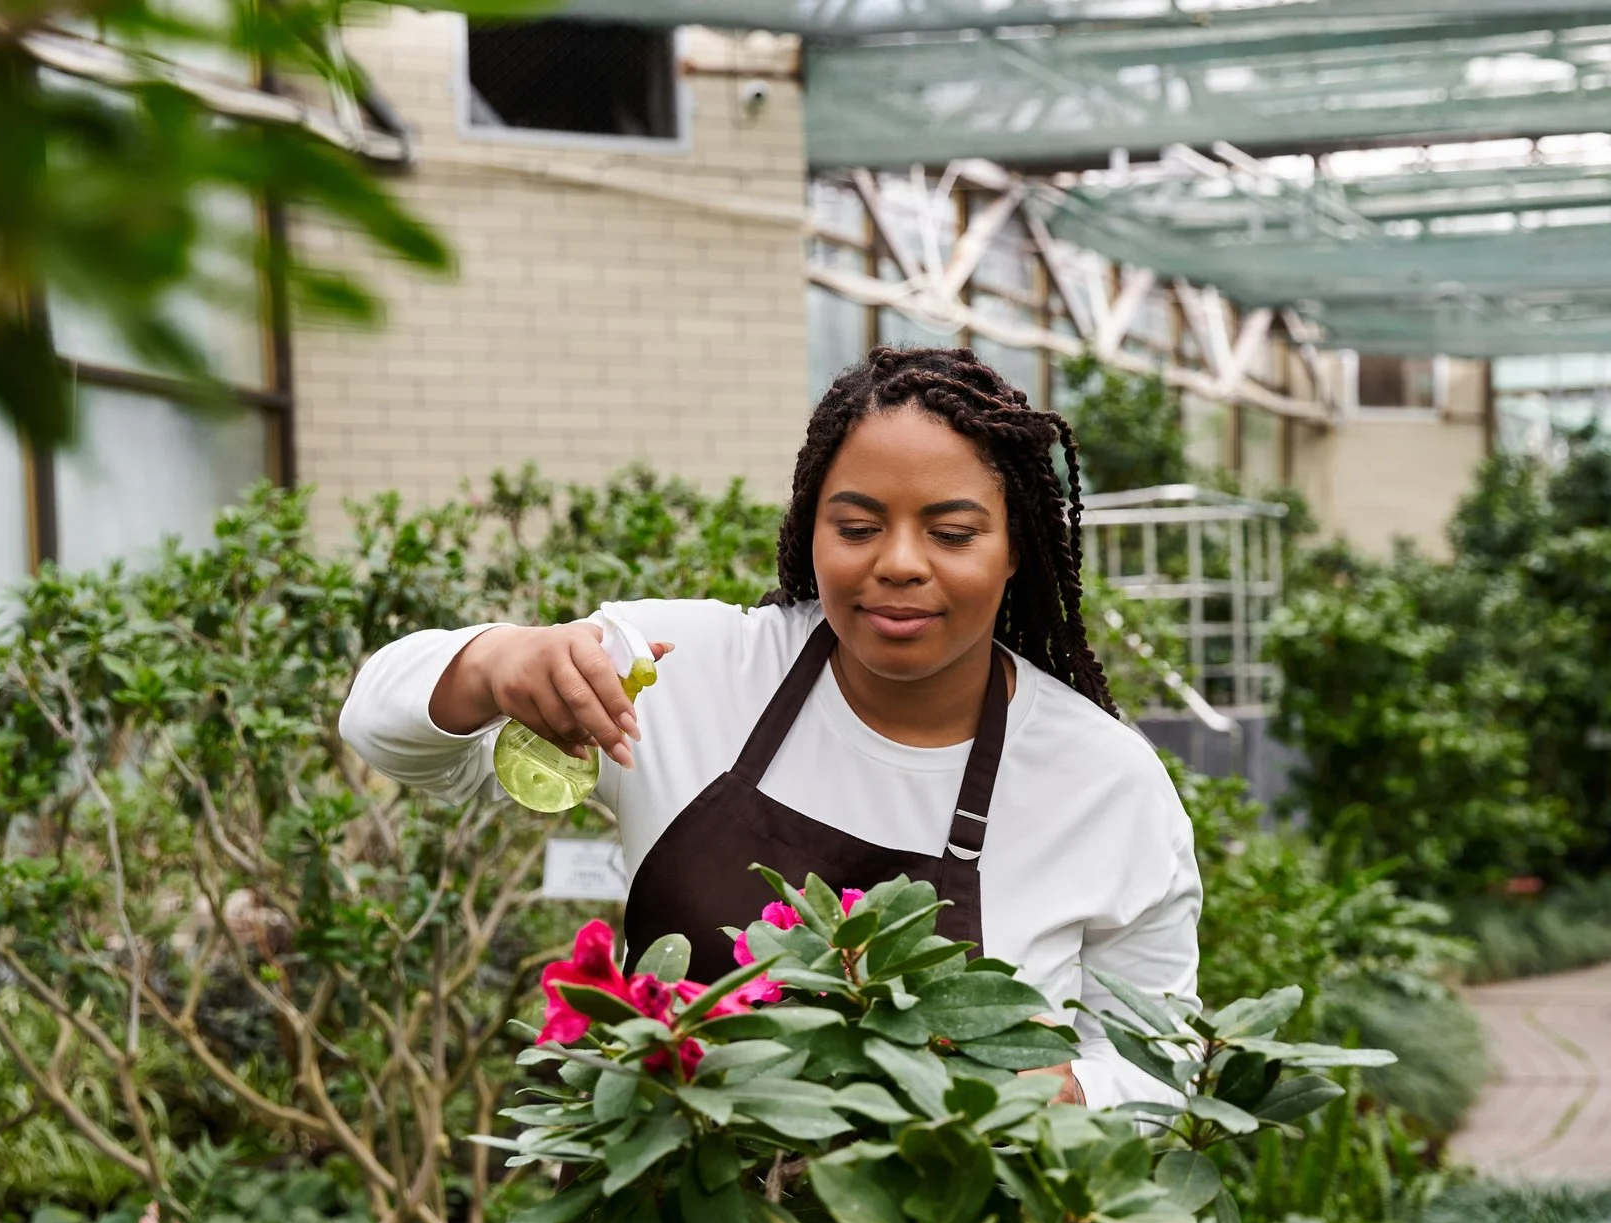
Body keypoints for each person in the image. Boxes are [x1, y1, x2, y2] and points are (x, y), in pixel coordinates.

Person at [338, 345, 1201, 1111]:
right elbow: (381, 723)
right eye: (857, 527)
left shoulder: (1103, 783)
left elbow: (1162, 1066)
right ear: (810, 527)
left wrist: (1075, 1091)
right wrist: (498, 662)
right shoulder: (687, 671)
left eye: (952, 532)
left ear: (1017, 548)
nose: (898, 563)